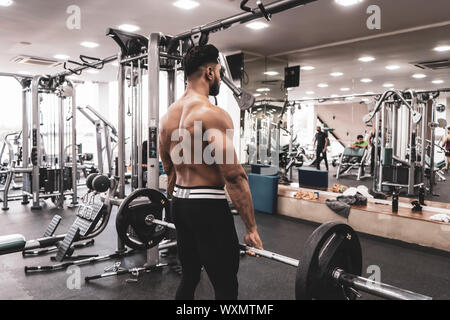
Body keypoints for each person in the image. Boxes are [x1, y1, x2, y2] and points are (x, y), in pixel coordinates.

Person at [158, 44, 263, 300]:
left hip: (179, 204)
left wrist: (180, 194)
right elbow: (234, 175)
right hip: (208, 206)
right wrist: (251, 228)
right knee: (226, 284)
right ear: (209, 72)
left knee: (190, 275)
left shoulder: (168, 116)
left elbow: (167, 163)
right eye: (218, 70)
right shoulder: (212, 114)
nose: (218, 77)